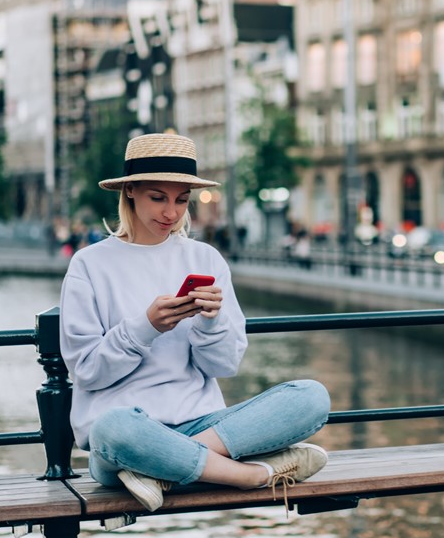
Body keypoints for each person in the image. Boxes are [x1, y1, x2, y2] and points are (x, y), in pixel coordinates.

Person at [60, 133, 331, 513]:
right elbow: (86, 371)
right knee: (111, 429)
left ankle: (160, 470)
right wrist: (145, 328)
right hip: (127, 439)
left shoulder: (206, 259)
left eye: (181, 199)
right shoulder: (89, 264)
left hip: (200, 423)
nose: (171, 213)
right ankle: (252, 476)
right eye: (158, 197)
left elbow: (223, 366)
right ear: (131, 192)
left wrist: (209, 322)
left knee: (311, 397)